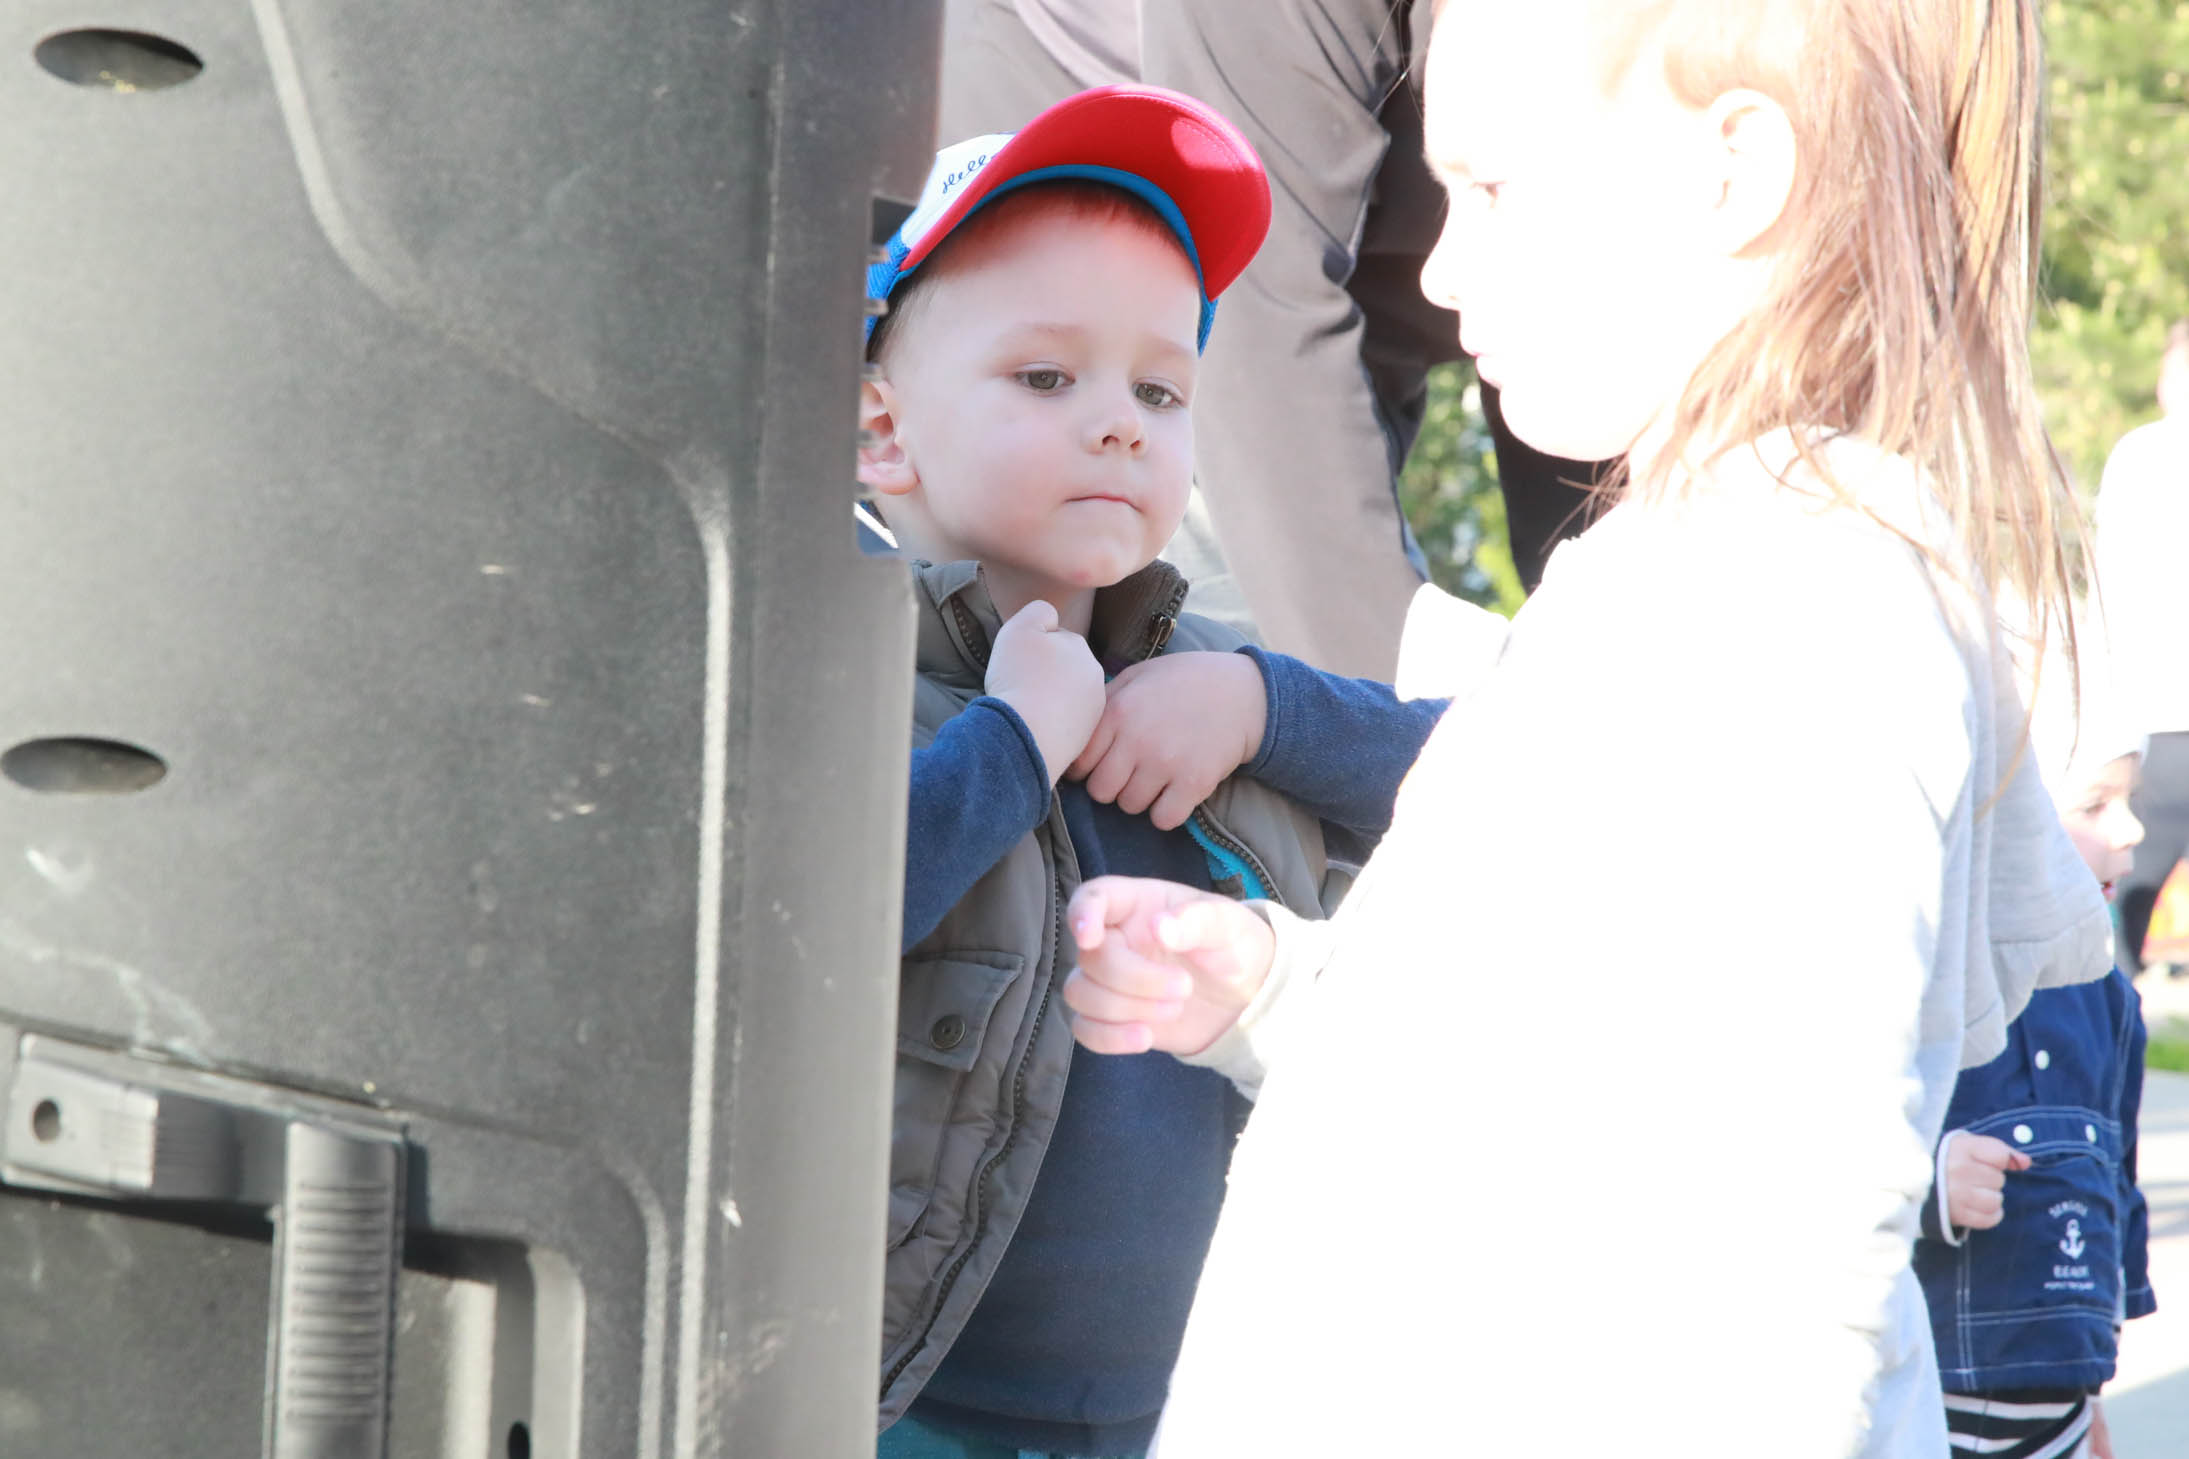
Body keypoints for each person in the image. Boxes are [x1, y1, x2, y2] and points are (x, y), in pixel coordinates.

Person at [1056, 2, 2114, 1453]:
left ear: (1734, 172)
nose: (1437, 266)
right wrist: (1276, 989)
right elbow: (1547, 1056)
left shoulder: (1805, 614)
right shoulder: (1666, 576)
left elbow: (1778, 1252)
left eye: (1491, 188)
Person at [857, 87, 1448, 1457]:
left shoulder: (1211, 688)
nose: (1119, 422)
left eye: (1159, 389)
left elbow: (1502, 800)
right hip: (906, 1406)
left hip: (1198, 1408)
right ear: (881, 429)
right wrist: (1012, 743)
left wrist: (1265, 705)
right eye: (1045, 378)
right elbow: (801, 935)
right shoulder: (843, 684)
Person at [937, 0, 1608, 677]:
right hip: (1157, 271)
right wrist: (1401, 706)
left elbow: (1588, 326)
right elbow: (1264, 331)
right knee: (1241, 658)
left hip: (1368, 271)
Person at [1910, 622, 2155, 1459]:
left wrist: (2090, 1389)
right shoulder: (1933, 980)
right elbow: (1840, 1145)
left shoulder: (2110, 1003)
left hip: (2055, 1412)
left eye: (2130, 797)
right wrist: (1929, 1180)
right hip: (1930, 1395)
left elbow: (2111, 1190)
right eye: (2094, 803)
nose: (2131, 828)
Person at [2095, 319, 2189, 974]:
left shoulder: (2140, 455)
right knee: (2130, 887)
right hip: (2157, 715)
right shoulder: (2140, 456)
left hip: (2156, 713)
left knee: (2129, 894)